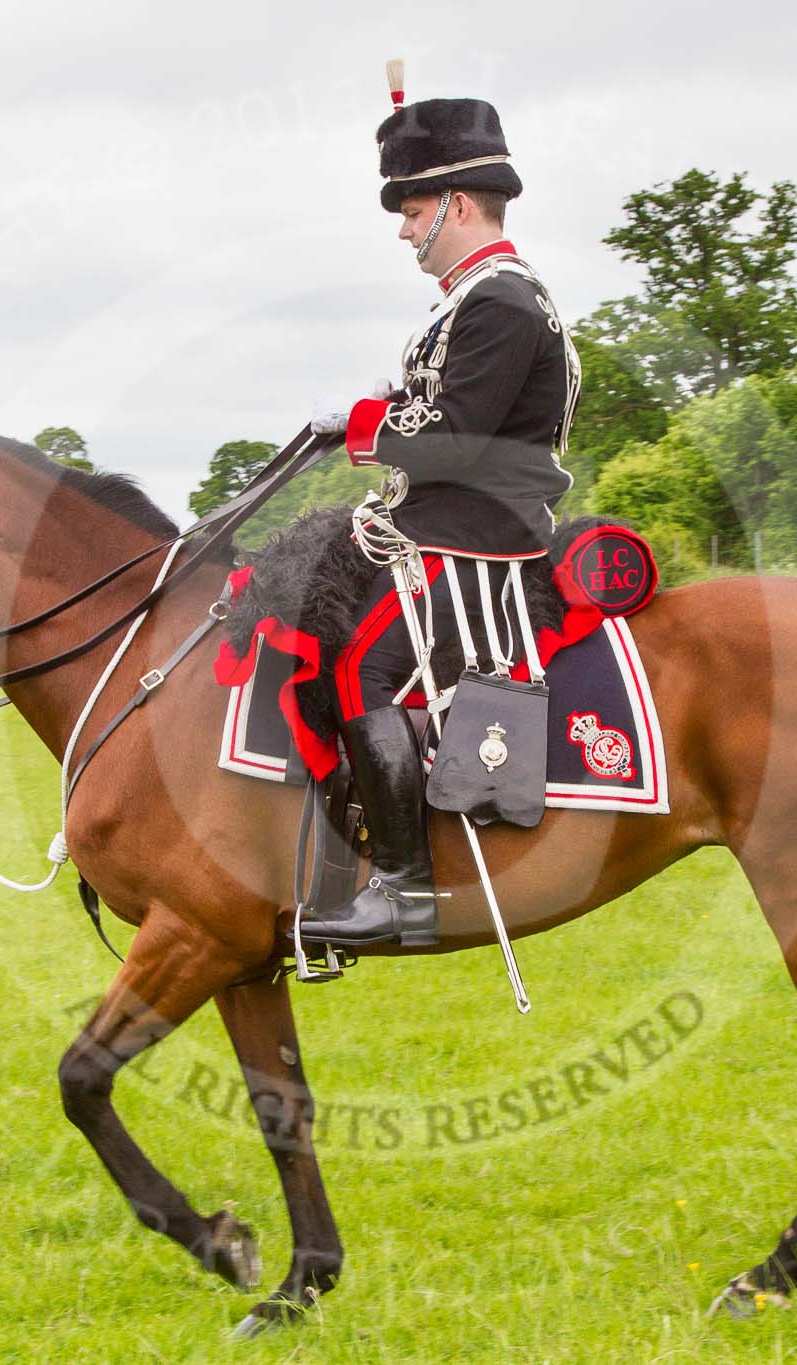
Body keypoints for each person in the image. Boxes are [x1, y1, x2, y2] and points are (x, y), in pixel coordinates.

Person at [297, 72, 581, 948]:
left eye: (412, 210)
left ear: (455, 202)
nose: (405, 230)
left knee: (356, 669)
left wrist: (366, 421)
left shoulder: (500, 302)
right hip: (438, 527)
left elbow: (455, 439)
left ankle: (406, 887)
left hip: (476, 543)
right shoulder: (474, 302)